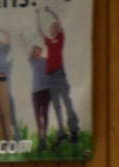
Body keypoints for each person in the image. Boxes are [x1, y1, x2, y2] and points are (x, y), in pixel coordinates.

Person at [38, 6, 79, 146]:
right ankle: (61, 132)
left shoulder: (60, 39)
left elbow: (59, 21)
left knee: (66, 101)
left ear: (57, 29)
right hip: (51, 78)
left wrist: (51, 12)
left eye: (53, 27)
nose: (51, 28)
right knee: (56, 105)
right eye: (51, 27)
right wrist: (37, 15)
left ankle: (74, 130)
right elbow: (40, 31)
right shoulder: (49, 42)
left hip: (59, 75)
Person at [21, 36, 51, 151]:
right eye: (32, 50)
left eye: (35, 49)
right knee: (38, 117)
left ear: (40, 50)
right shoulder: (32, 62)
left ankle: (44, 137)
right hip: (35, 92)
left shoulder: (46, 60)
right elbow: (25, 49)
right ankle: (40, 140)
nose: (33, 51)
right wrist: (23, 39)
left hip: (46, 90)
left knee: (45, 115)